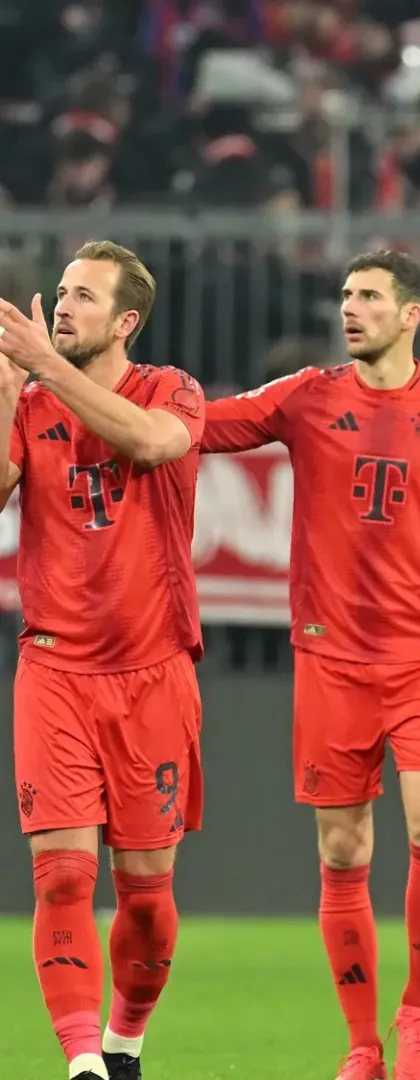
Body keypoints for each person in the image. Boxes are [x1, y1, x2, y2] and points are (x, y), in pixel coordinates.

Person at [198, 250, 420, 1080]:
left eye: (369, 296)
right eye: (345, 295)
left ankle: (419, 1010)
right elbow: (206, 426)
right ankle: (362, 1046)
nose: (350, 308)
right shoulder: (307, 396)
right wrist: (117, 395)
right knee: (342, 852)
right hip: (329, 658)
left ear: (410, 314)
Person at [0, 242, 206, 1080]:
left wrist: (47, 366)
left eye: (84, 297)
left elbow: (153, 445)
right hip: (53, 669)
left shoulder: (172, 388)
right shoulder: (29, 398)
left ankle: (124, 1042)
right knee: (60, 881)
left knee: (148, 899)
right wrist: (11, 387)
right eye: (60, 293)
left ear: (126, 321)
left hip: (154, 670)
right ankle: (83, 1063)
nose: (62, 306)